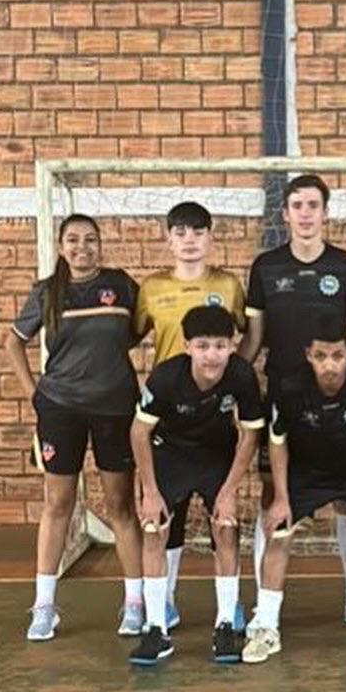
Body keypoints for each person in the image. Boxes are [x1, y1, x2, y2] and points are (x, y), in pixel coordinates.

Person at [239, 174, 346, 634]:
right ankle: (265, 605)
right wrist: (233, 383)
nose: (304, 213)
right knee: (273, 495)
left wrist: (338, 379)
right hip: (283, 398)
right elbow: (254, 338)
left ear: (325, 212)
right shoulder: (266, 267)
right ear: (285, 214)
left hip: (337, 403)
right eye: (296, 205)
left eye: (313, 205)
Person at [4, 214, 143, 640]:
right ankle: (44, 606)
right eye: (74, 240)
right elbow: (13, 341)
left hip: (115, 409)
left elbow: (138, 332)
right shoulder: (48, 292)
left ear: (100, 244)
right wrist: (34, 394)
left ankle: (135, 603)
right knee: (58, 503)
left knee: (121, 505)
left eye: (90, 239)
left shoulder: (121, 285)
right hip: (60, 409)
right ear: (62, 246)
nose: (82, 247)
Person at [244, 315, 346, 663]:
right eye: (320, 356)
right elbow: (277, 442)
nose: (329, 365)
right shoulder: (289, 386)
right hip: (307, 473)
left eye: (337, 356)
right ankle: (267, 627)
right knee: (279, 533)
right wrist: (282, 498)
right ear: (308, 355)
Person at [128, 305, 264, 666]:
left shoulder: (242, 375)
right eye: (202, 346)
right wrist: (150, 491)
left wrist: (228, 491)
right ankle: (156, 629)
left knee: (226, 527)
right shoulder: (166, 377)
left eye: (220, 346)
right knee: (154, 529)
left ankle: (225, 624)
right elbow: (139, 433)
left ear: (232, 346)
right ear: (187, 346)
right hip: (169, 454)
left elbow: (250, 435)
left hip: (216, 456)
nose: (211, 355)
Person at [133, 200, 246, 629]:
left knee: (224, 514)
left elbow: (247, 333)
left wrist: (234, 380)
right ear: (169, 239)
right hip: (167, 412)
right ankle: (164, 601)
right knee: (167, 515)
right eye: (180, 232)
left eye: (198, 232)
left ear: (210, 237)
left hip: (214, 415)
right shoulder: (151, 288)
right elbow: (127, 337)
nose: (189, 240)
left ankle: (229, 607)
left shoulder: (229, 285)